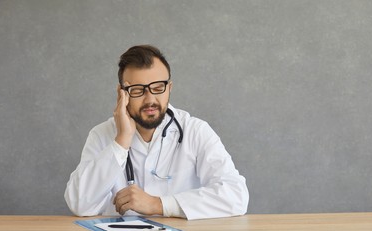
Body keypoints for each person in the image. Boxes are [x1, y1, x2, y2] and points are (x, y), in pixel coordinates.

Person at [64, 45, 249, 220]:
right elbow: (79, 204)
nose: (150, 99)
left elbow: (236, 196)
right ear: (122, 93)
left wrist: (159, 205)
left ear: (169, 88)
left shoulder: (195, 131)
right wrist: (121, 141)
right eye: (137, 90)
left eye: (158, 87)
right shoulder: (101, 135)